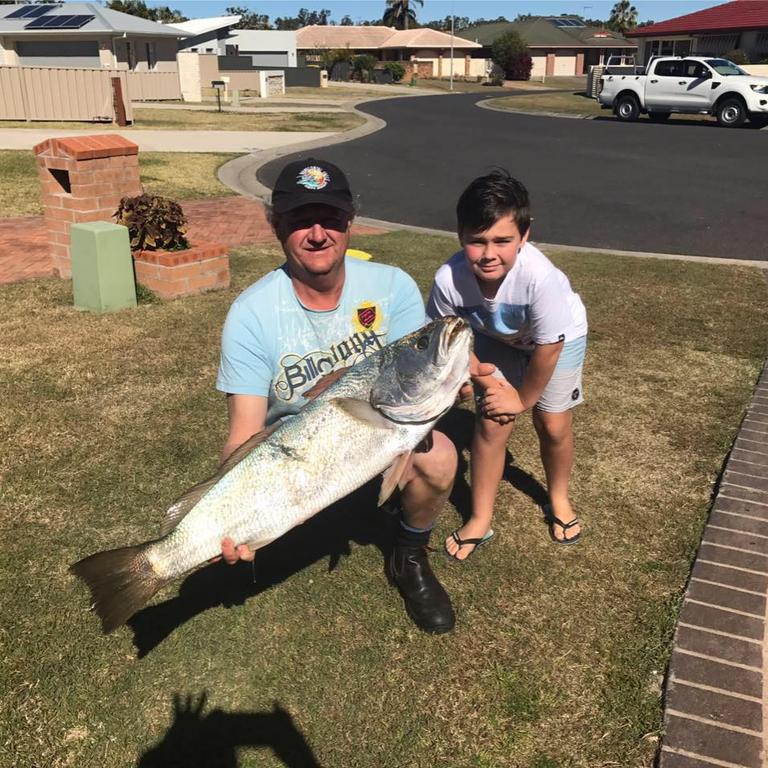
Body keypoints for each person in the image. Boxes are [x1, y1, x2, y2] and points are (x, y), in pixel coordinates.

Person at [214, 157, 458, 634]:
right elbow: (243, 433)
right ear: (275, 227)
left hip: (382, 440)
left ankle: (408, 555)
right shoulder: (250, 315)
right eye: (300, 220)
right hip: (298, 462)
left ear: (350, 222)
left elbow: (419, 380)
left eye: (329, 218)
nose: (317, 233)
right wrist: (231, 506)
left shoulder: (392, 288)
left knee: (441, 456)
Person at [426, 169, 588, 560]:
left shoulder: (540, 277)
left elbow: (549, 346)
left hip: (556, 341)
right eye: (476, 241)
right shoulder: (449, 279)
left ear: (525, 234)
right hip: (496, 341)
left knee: (551, 424)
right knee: (491, 423)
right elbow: (448, 336)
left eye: (503, 241)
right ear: (460, 235)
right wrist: (480, 375)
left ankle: (559, 499)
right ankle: (481, 518)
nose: (488, 254)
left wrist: (522, 398)